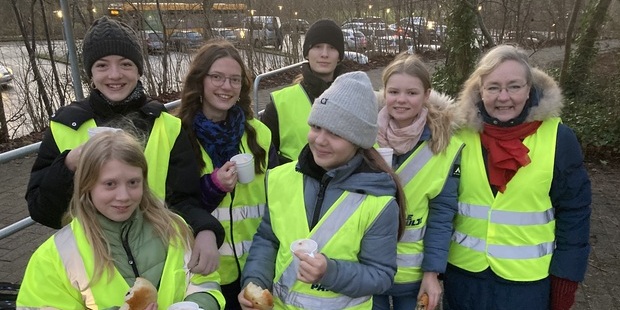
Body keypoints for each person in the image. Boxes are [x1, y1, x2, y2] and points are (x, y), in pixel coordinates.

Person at [25, 16, 224, 275]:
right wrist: (69, 164)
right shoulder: (65, 127)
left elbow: (184, 200)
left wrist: (205, 229)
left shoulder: (167, 126)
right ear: (91, 73)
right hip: (89, 267)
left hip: (157, 260)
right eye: (102, 65)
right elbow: (42, 211)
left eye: (126, 64)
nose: (115, 74)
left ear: (139, 70)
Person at [239, 71, 407, 309]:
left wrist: (331, 272)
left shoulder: (378, 201)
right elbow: (268, 240)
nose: (320, 140)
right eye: (316, 127)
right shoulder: (281, 179)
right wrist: (255, 281)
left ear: (358, 141)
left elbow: (380, 275)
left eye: (335, 133)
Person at [444, 45, 592, 310]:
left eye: (514, 86)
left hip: (528, 286)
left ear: (529, 89)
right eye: (493, 88)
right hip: (464, 280)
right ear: (480, 90)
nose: (503, 97)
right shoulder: (459, 135)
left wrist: (566, 279)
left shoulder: (559, 138)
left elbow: (575, 214)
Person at [17, 131, 225, 309]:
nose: (124, 196)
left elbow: (204, 281)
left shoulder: (174, 228)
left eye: (133, 182)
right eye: (110, 184)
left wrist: (198, 304)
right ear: (87, 185)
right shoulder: (55, 257)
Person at [176, 39, 278, 309]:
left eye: (234, 79)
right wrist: (212, 187)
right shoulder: (178, 135)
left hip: (256, 267)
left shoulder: (260, 134)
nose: (226, 86)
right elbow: (169, 203)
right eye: (217, 77)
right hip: (203, 271)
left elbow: (280, 196)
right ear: (200, 81)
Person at [372, 53, 463, 310]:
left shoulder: (444, 146)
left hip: (414, 278)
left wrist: (433, 274)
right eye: (394, 92)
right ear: (384, 93)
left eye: (412, 93)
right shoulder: (363, 138)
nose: (401, 100)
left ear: (426, 95)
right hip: (366, 270)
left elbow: (442, 215)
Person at [260, 19, 349, 165]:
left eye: (332, 48)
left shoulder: (355, 99)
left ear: (339, 56)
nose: (324, 54)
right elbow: (264, 157)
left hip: (344, 186)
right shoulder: (280, 103)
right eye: (318, 47)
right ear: (307, 53)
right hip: (295, 186)